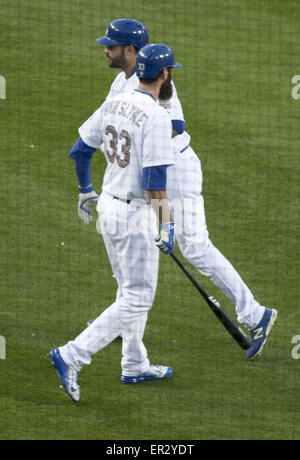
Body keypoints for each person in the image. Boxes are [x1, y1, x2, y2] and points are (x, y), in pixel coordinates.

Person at [86, 18, 277, 361]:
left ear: (131, 50)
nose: (106, 50)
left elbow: (173, 127)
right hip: (152, 172)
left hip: (176, 172)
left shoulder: (161, 84)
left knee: (196, 246)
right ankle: (124, 323)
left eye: (112, 45)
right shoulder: (121, 82)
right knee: (130, 239)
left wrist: (136, 151)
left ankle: (255, 313)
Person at [49, 44, 182, 402]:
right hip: (133, 215)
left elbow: (82, 147)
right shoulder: (155, 115)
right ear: (165, 75)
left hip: (107, 205)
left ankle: (134, 364)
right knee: (138, 297)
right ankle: (72, 353)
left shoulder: (115, 101)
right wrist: (167, 226)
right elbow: (155, 182)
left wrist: (85, 190)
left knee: (127, 290)